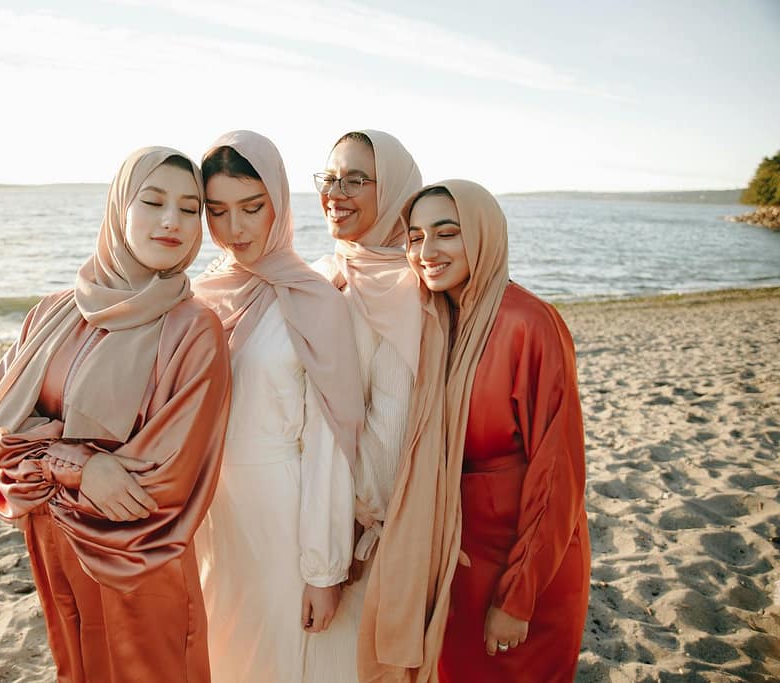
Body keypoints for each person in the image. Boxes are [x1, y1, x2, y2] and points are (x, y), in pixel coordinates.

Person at [0, 147, 231, 683]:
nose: (171, 221)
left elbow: (161, 481)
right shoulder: (52, 313)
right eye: (153, 201)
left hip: (136, 558)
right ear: (119, 209)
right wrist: (81, 465)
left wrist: (44, 457)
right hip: (52, 547)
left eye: (190, 208)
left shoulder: (194, 329)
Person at [358, 180, 590, 682]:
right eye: (415, 237)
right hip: (450, 551)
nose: (427, 251)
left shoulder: (529, 324)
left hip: (523, 559)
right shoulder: (435, 320)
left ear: (483, 235)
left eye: (446, 233)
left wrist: (518, 596)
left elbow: (558, 477)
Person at [191, 130, 364, 682]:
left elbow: (329, 445)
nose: (234, 229)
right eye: (216, 211)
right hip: (207, 513)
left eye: (251, 207)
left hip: (282, 516)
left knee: (277, 661)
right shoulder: (198, 296)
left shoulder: (313, 297)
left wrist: (324, 570)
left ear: (279, 203)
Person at [307, 129, 423, 681]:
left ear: (395, 191)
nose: (337, 191)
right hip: (306, 512)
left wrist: (344, 524)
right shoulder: (324, 271)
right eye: (330, 177)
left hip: (356, 531)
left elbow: (390, 425)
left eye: (356, 179)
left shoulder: (404, 289)